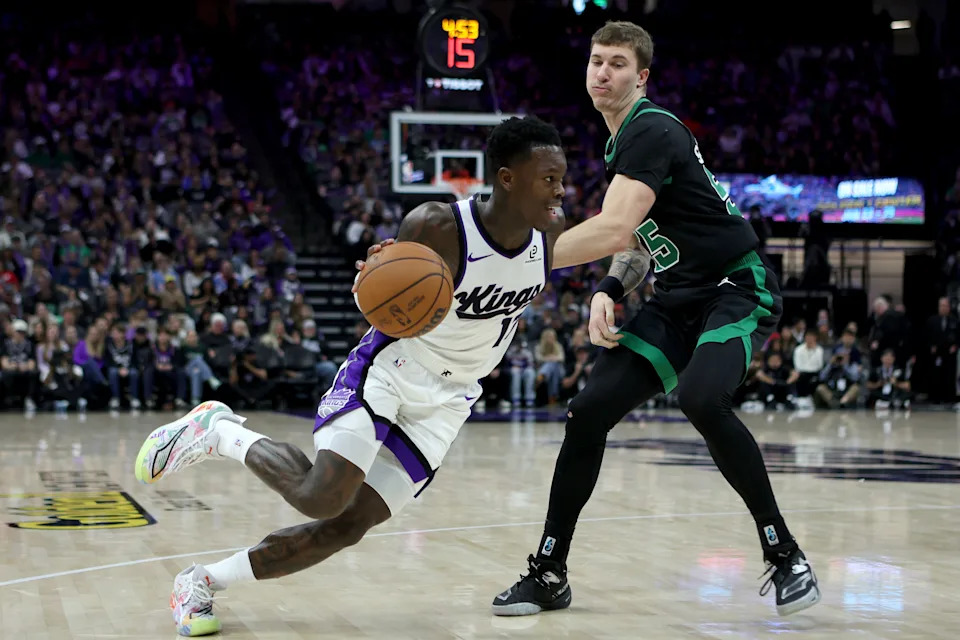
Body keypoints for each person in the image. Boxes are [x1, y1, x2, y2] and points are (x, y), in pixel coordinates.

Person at [133, 116, 567, 637]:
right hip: (393, 368)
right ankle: (218, 431)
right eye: (549, 178)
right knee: (322, 494)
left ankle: (201, 581)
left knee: (345, 526)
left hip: (451, 401)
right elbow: (385, 301)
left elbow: (603, 235)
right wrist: (374, 280)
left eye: (561, 178)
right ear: (507, 177)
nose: (560, 189)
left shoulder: (550, 231)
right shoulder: (435, 225)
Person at [492, 21, 820, 618]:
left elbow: (615, 226)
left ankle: (786, 554)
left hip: (735, 288)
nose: (602, 72)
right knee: (588, 411)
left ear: (641, 77)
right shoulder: (625, 143)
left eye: (617, 63)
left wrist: (517, 260)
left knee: (701, 397)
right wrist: (611, 287)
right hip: (677, 299)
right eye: (595, 61)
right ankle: (548, 572)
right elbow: (639, 240)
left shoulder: (650, 127)